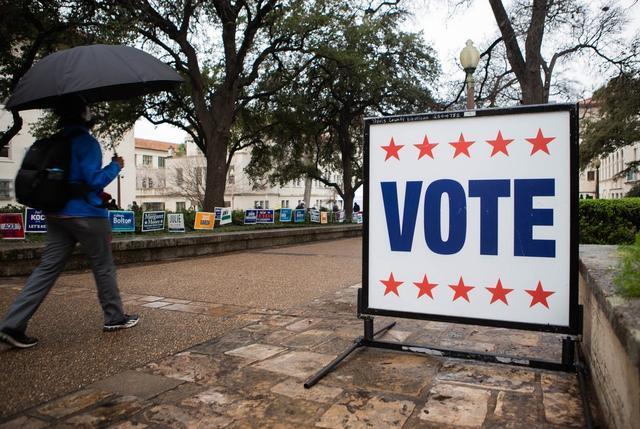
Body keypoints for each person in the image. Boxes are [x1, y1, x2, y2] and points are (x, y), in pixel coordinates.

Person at [0, 95, 139, 349]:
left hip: (55, 213)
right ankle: (114, 317)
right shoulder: (86, 142)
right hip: (86, 215)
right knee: (103, 266)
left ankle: (12, 325)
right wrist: (115, 166)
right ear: (83, 114)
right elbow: (93, 182)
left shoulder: (55, 140)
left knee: (46, 270)